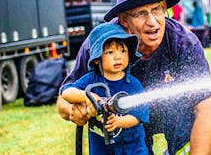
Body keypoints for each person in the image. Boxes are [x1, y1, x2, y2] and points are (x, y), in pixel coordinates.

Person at [57, 0, 211, 155]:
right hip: (124, 125)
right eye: (141, 13)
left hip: (171, 114)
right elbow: (63, 100)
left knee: (183, 108)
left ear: (165, 8)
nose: (152, 21)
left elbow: (207, 110)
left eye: (157, 10)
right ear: (124, 20)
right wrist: (73, 110)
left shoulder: (183, 42)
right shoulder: (101, 44)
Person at [61, 23, 149, 155]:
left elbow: (139, 116)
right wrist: (88, 97)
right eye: (110, 52)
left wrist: (119, 122)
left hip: (132, 149)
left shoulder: (133, 84)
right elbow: (66, 92)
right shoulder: (91, 80)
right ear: (97, 59)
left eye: (122, 50)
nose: (118, 56)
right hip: (101, 150)